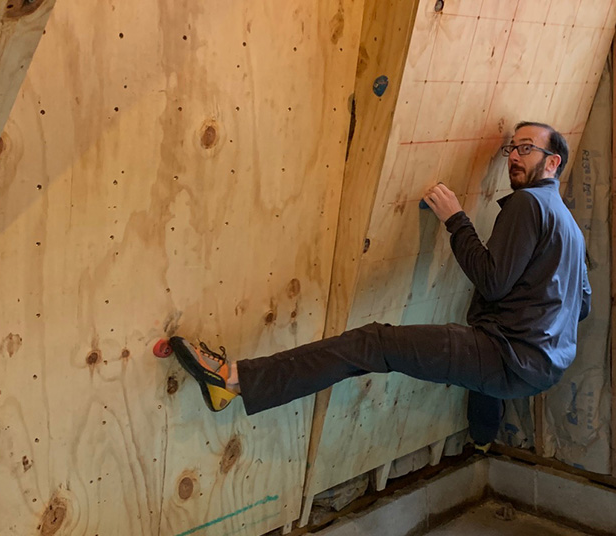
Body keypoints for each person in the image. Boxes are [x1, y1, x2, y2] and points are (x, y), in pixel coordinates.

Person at [168, 121, 591, 447]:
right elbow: (582, 304)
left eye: (526, 149)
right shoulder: (569, 226)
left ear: (552, 162)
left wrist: (456, 220)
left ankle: (234, 379)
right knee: (474, 361)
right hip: (542, 367)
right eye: (511, 148)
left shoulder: (527, 204)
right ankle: (482, 440)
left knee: (371, 344)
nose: (514, 156)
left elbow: (493, 281)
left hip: (506, 356)